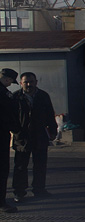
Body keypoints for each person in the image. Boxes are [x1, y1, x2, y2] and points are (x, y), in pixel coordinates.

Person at [11, 72, 57, 203]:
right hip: (22, 137)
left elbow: (50, 114)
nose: (29, 84)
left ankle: (39, 189)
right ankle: (19, 192)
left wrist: (53, 131)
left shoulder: (43, 96)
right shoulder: (16, 97)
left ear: (36, 82)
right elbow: (11, 117)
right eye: (26, 82)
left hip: (39, 135)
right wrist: (16, 131)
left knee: (40, 165)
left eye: (31, 81)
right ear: (21, 83)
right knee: (20, 166)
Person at [1, 68, 21, 213]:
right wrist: (15, 127)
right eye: (9, 81)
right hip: (1, 132)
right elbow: (8, 113)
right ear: (7, 79)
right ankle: (1, 202)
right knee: (2, 169)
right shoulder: (3, 93)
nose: (9, 85)